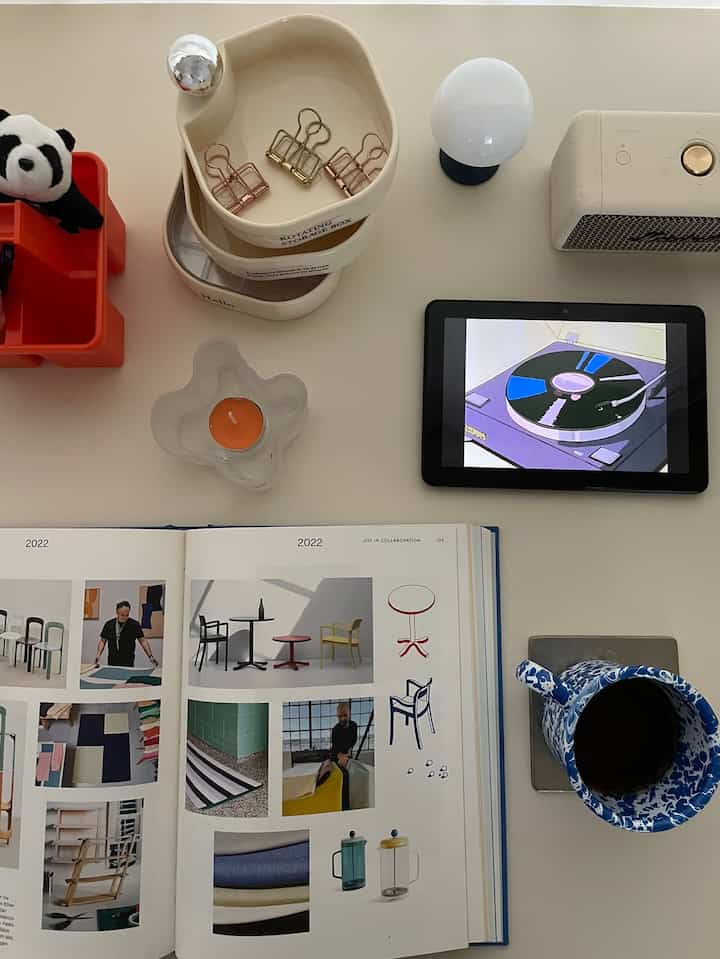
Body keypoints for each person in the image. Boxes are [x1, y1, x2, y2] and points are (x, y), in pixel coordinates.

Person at [95, 601, 159, 669]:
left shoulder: (134, 625)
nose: (125, 617)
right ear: (117, 612)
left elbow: (143, 641)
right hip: (112, 662)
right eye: (122, 615)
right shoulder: (109, 624)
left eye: (127, 615)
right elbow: (102, 641)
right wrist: (98, 655)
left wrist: (150, 656)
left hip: (128, 662)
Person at [329, 702, 357, 810]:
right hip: (336, 756)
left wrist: (347, 755)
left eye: (345, 715)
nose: (342, 718)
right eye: (340, 716)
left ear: (349, 713)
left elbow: (352, 742)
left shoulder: (353, 726)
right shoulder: (335, 729)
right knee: (342, 777)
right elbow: (335, 748)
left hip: (346, 755)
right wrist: (341, 757)